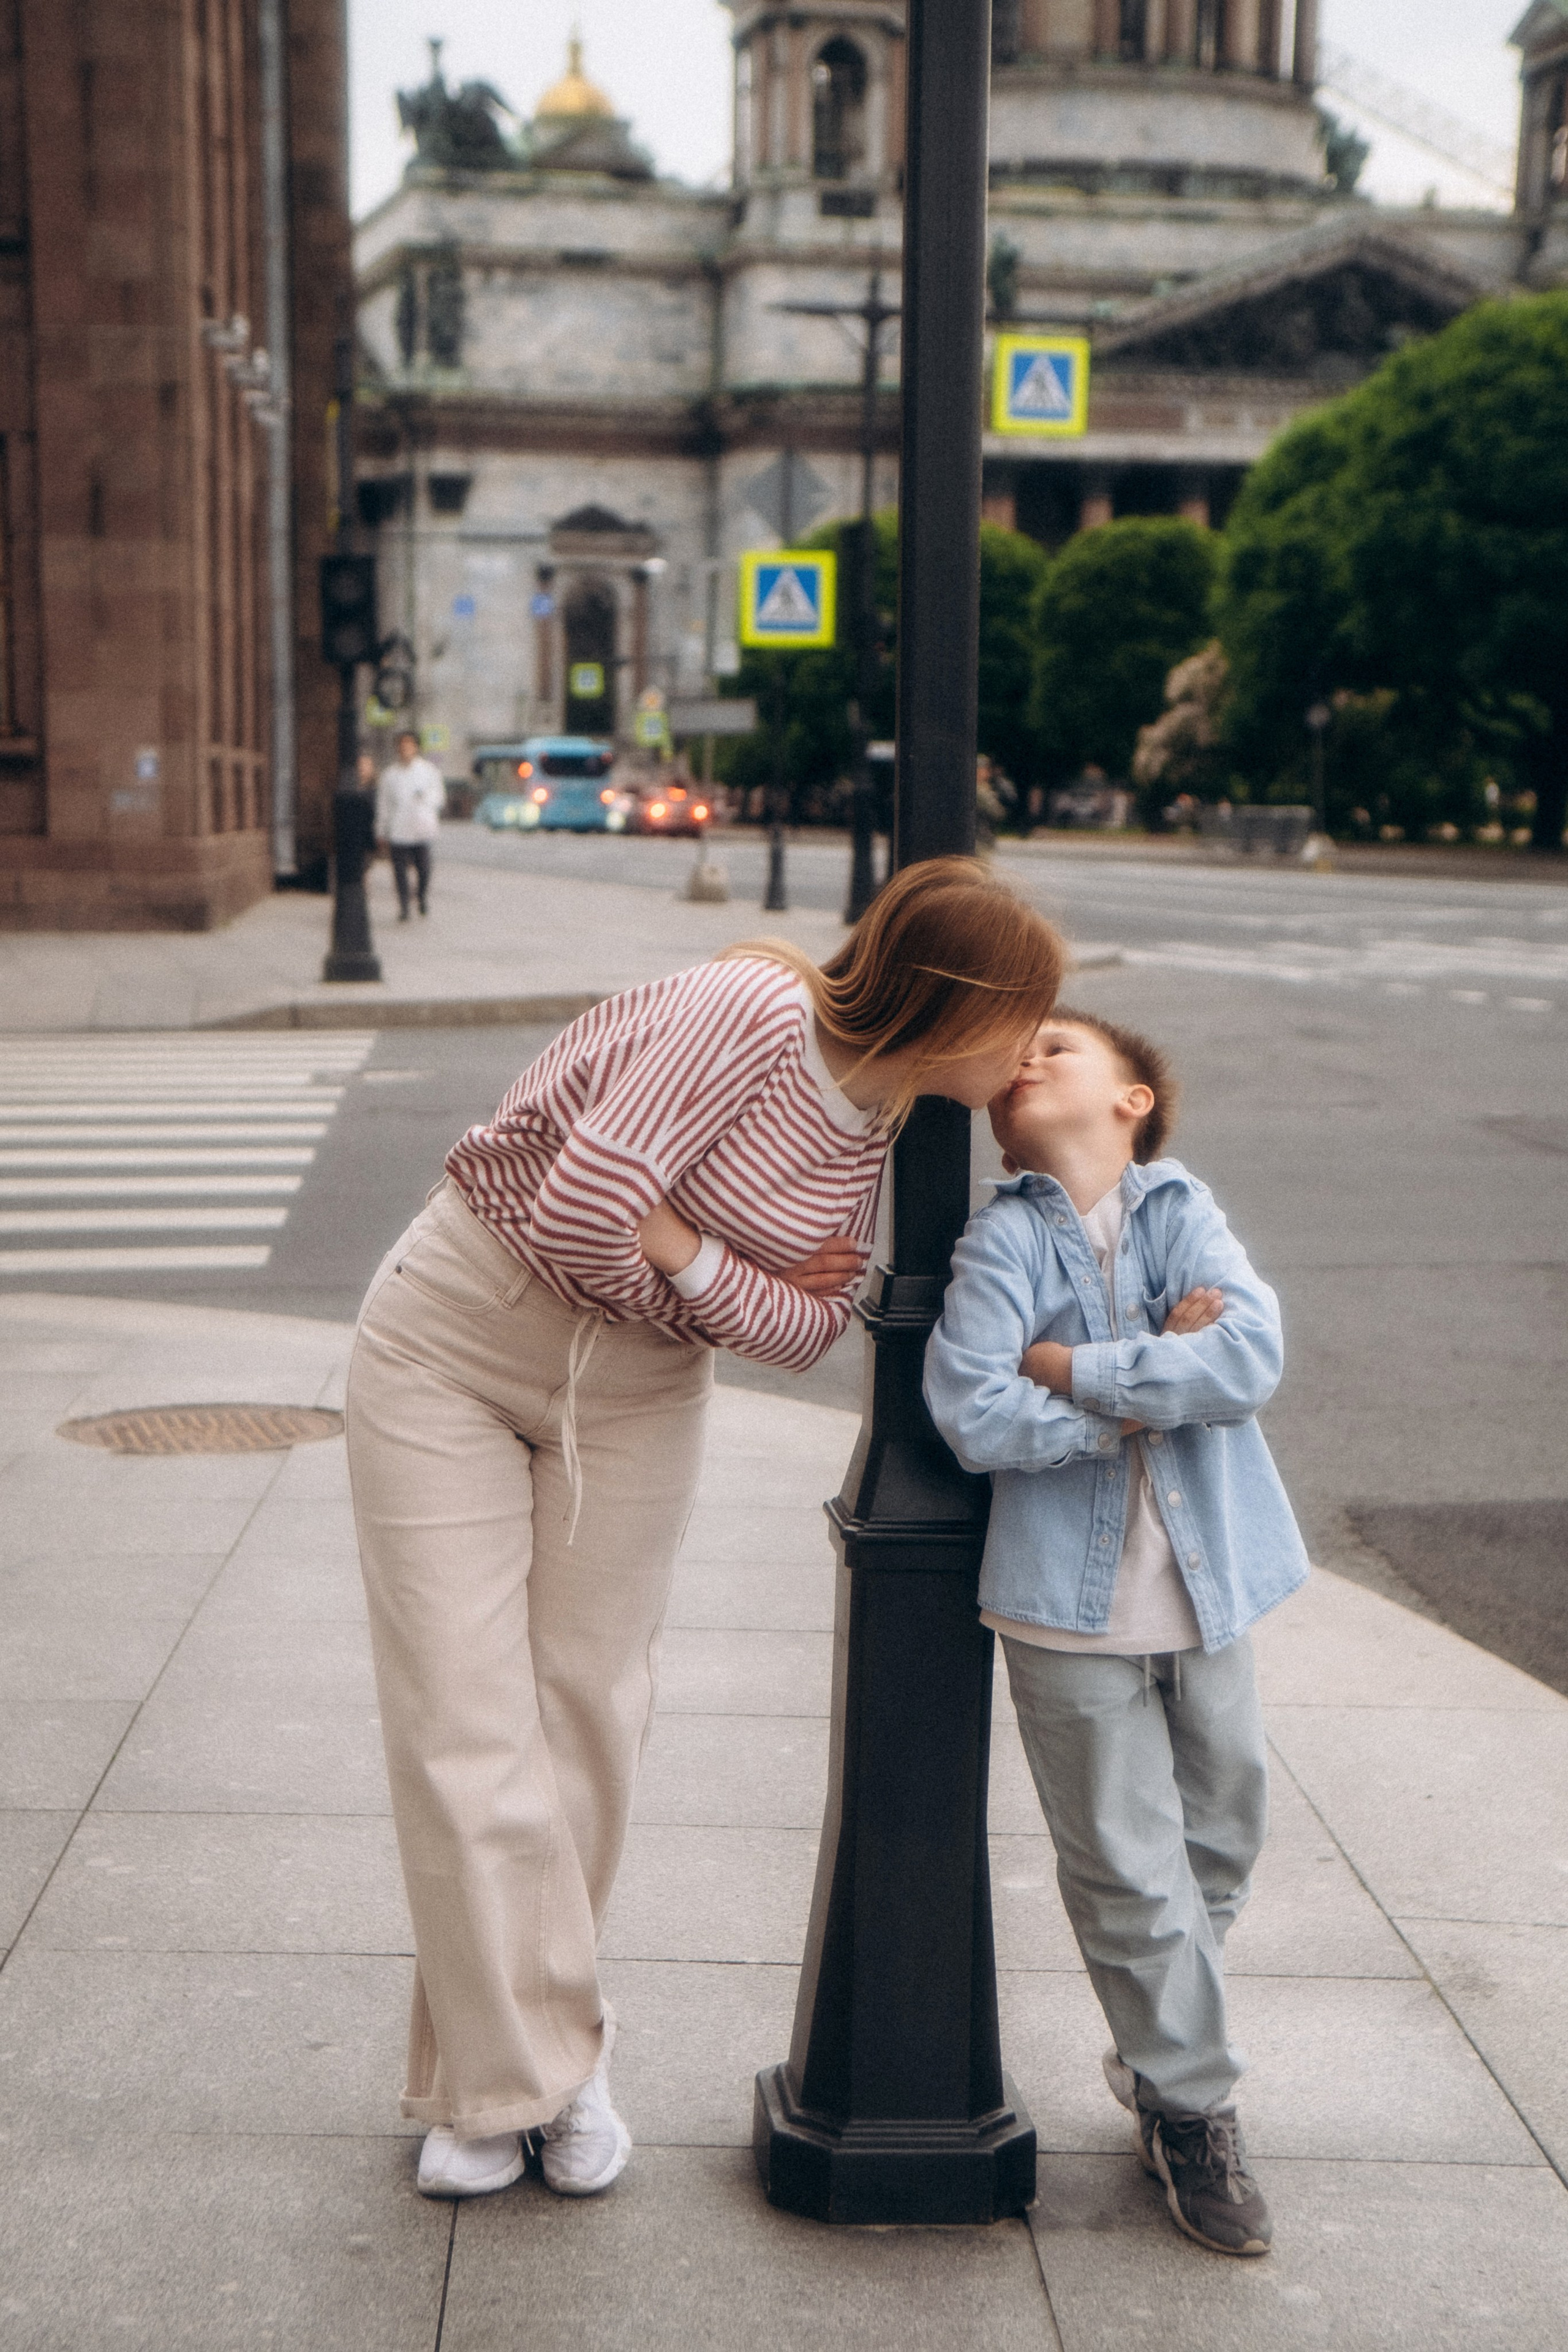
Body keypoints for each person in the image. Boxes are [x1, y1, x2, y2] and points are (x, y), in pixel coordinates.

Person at [344, 858, 1065, 2203]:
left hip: (636, 1394)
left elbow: (803, 1333)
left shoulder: (883, 1124)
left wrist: (678, 1251)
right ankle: (522, 2084)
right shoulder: (748, 1012)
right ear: (948, 1003)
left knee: (585, 1718)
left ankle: (533, 2067)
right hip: (452, 1338)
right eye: (1022, 1015)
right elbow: (569, 1211)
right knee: (461, 1718)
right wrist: (713, 1274)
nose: (1032, 1049)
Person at [924, 1009, 1310, 2258]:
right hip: (1060, 1608)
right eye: (1013, 1057)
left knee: (1220, 1841)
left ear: (1130, 1100)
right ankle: (1194, 2110)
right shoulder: (996, 1243)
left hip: (1209, 1586)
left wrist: (1075, 1369)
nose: (1022, 1062)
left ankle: (1151, 2055)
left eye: (1057, 1047)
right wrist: (1147, 1393)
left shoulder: (1177, 1209)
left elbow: (1247, 1357)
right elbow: (973, 1414)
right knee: (1128, 1874)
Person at [375, 729, 447, 919]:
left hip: (421, 827)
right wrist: (381, 830)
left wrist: (424, 799)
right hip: (399, 828)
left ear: (416, 748)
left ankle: (421, 895)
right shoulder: (390, 775)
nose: (405, 749)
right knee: (399, 871)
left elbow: (439, 798)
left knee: (424, 868)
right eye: (402, 745)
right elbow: (384, 804)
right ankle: (404, 905)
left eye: (409, 745)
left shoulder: (428, 771)